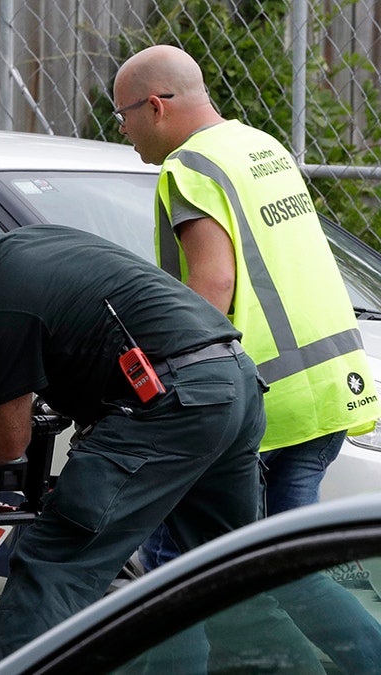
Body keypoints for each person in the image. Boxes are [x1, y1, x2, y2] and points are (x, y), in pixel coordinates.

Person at [0, 187, 266, 669]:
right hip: (233, 382)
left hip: (170, 406)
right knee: (237, 570)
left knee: (54, 562)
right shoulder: (40, 240)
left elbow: (6, 442)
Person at [113, 45, 380, 538]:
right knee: (289, 561)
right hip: (328, 386)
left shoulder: (190, 167)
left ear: (155, 106)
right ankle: (340, 620)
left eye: (122, 114)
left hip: (262, 402)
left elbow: (213, 282)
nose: (121, 130)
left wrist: (164, 380)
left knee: (185, 564)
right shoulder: (259, 146)